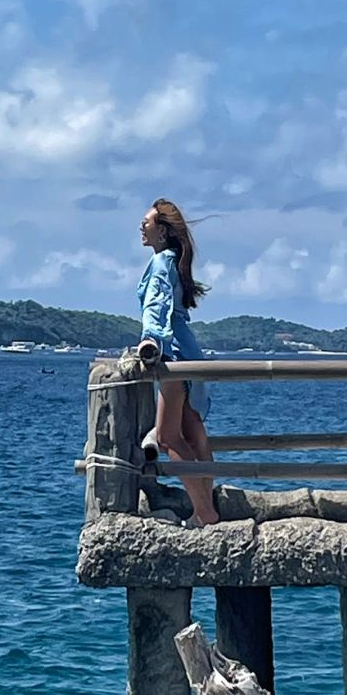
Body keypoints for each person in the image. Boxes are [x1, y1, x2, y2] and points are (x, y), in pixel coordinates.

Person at [135, 199, 219, 527]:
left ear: (163, 230)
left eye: (146, 222)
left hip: (173, 355)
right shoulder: (174, 262)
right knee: (194, 433)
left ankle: (206, 512)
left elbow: (156, 307)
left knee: (169, 437)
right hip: (190, 351)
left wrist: (149, 338)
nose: (141, 227)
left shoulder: (161, 263)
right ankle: (205, 510)